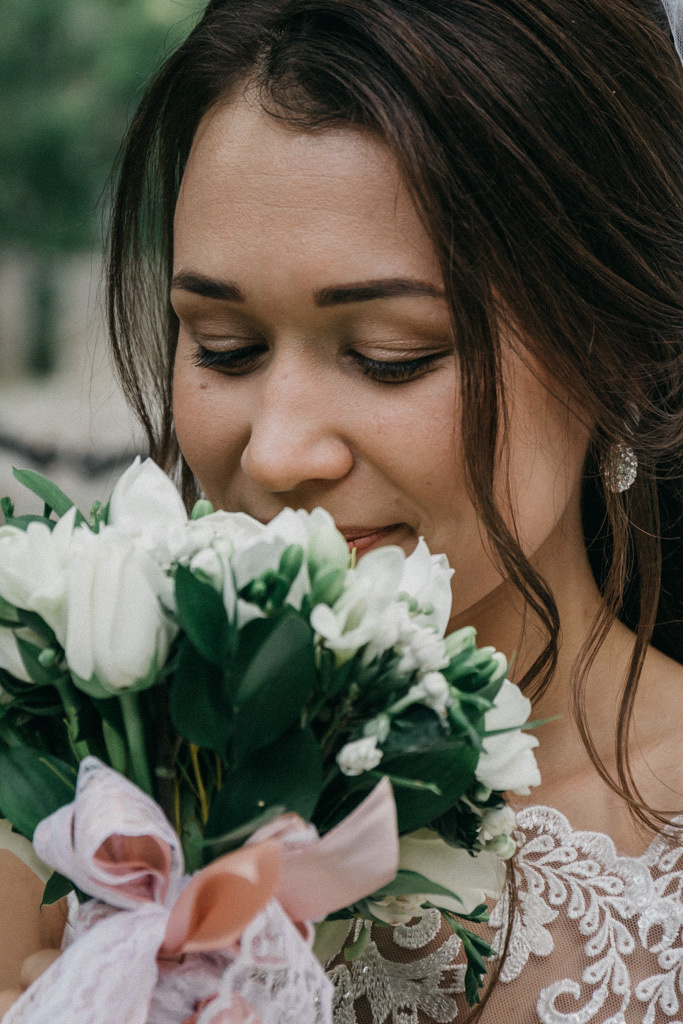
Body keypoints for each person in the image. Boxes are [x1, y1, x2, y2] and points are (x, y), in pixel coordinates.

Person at [2, 0, 683, 1021]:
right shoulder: (85, 809)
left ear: (621, 355)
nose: (277, 452)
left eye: (389, 356)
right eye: (223, 346)